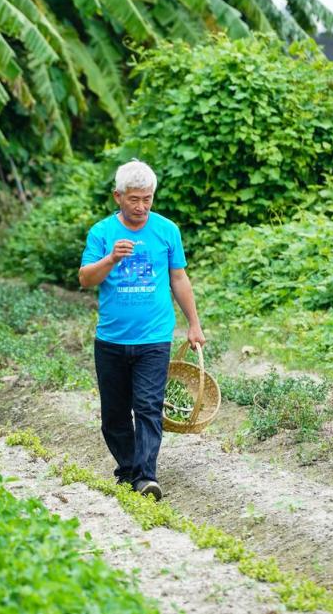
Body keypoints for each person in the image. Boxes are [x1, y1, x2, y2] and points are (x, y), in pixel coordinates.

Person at [78, 160, 206, 500]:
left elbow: (179, 278)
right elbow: (85, 278)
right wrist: (110, 260)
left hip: (154, 337)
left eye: (147, 199)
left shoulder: (167, 231)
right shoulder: (102, 233)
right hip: (111, 339)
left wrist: (194, 324)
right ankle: (129, 470)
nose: (141, 206)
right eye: (134, 199)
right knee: (114, 415)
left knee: (149, 406)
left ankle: (146, 476)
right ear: (118, 196)